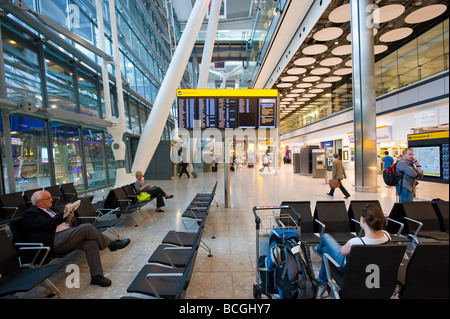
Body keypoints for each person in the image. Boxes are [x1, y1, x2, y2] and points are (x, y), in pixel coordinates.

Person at [22, 190, 130, 287]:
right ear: (38, 202)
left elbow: (62, 223)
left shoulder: (52, 210)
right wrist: (64, 214)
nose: (51, 200)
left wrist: (68, 219)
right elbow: (47, 224)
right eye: (48, 198)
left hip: (66, 236)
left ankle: (96, 276)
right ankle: (112, 245)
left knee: (91, 243)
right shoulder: (31, 213)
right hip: (53, 241)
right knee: (86, 227)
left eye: (51, 197)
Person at [313, 204, 391, 287]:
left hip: (348, 268)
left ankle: (319, 251)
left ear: (363, 220)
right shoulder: (387, 236)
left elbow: (342, 252)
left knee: (325, 238)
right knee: (325, 251)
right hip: (373, 268)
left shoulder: (355, 242)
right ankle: (321, 278)